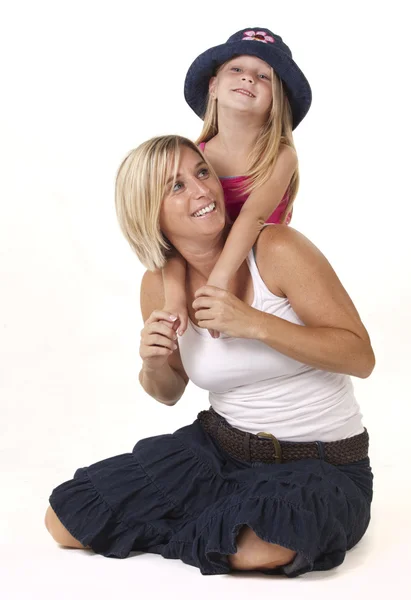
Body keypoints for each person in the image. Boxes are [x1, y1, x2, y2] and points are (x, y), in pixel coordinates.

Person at [45, 135, 374, 577]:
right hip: (220, 453)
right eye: (175, 186)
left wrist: (256, 324)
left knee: (261, 547)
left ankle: (209, 525)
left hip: (321, 465)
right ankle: (214, 525)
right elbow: (168, 393)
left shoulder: (276, 249)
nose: (202, 190)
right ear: (149, 212)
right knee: (67, 519)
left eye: (202, 173)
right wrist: (153, 363)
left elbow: (360, 356)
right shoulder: (158, 285)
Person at [162, 28, 312, 338]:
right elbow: (172, 235)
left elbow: (252, 217)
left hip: (266, 277)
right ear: (213, 86)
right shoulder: (194, 157)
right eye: (237, 69)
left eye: (263, 77)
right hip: (210, 270)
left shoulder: (280, 157)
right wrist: (175, 299)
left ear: (276, 102)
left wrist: (219, 284)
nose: (248, 79)